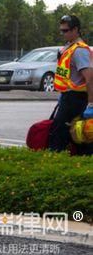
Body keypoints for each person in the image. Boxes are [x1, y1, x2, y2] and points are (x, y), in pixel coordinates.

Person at [49, 15, 93, 155]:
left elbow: (90, 79)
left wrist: (91, 105)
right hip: (68, 97)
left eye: (66, 30)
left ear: (76, 30)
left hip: (77, 99)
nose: (63, 34)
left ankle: (58, 162)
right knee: (72, 134)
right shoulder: (69, 47)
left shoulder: (79, 51)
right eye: (61, 31)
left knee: (64, 134)